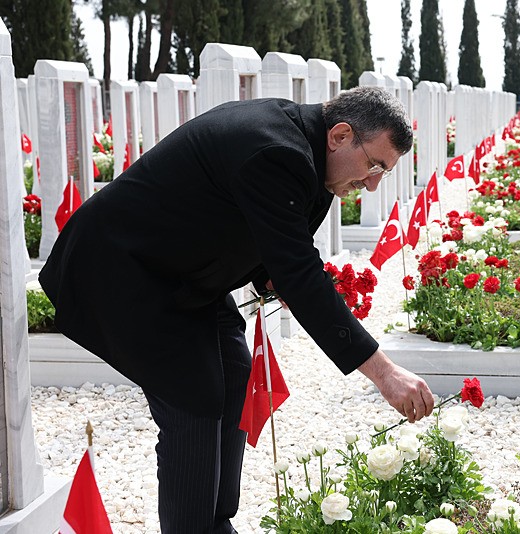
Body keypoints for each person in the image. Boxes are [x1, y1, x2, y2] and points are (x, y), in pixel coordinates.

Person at [38, 87, 435, 533]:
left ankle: (215, 522)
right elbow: (298, 273)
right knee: (195, 395)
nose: (374, 182)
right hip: (120, 271)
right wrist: (384, 372)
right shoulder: (276, 151)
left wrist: (271, 275)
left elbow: (271, 242)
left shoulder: (313, 157)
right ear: (341, 135)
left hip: (182, 275)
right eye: (375, 164)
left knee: (234, 373)